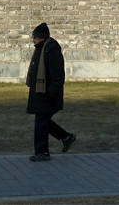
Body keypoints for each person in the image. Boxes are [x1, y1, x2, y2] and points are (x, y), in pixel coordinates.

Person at [25, 22, 76, 162]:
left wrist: (52, 93)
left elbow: (58, 76)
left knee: (41, 123)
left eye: (35, 37)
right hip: (41, 93)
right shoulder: (41, 49)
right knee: (43, 121)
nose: (33, 40)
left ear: (42, 37)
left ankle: (42, 152)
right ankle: (66, 137)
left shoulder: (51, 51)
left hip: (48, 94)